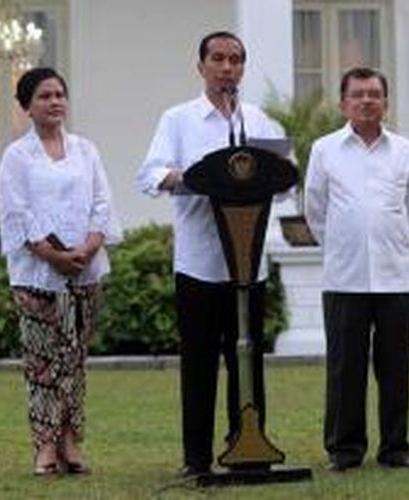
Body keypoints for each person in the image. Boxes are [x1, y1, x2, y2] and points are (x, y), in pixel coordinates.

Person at [136, 30, 284, 477]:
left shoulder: (259, 123)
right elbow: (149, 174)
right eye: (217, 59)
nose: (226, 67)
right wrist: (194, 178)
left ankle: (247, 448)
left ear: (242, 68)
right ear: (200, 66)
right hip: (200, 263)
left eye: (235, 60)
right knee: (199, 363)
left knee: (248, 357)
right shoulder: (178, 119)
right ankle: (196, 458)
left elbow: (279, 174)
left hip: (247, 263)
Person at [0, 67, 122, 476]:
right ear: (27, 107)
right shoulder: (18, 156)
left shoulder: (86, 150)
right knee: (42, 363)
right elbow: (17, 212)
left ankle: (71, 441)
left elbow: (102, 203)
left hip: (84, 272)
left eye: (60, 95)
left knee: (74, 360)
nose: (55, 102)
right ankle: (45, 445)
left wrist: (87, 247)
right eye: (45, 96)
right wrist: (52, 255)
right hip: (37, 275)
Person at [304, 67, 409, 471]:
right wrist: (344, 244)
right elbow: (315, 211)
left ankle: (396, 447)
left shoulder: (406, 151)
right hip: (345, 275)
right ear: (343, 103)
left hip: (394, 275)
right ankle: (344, 449)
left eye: (374, 94)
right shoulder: (325, 150)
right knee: (345, 368)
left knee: (394, 367)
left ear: (386, 103)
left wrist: (393, 244)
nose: (366, 101)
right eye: (357, 94)